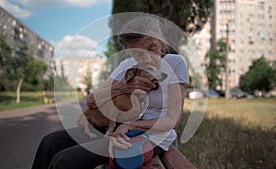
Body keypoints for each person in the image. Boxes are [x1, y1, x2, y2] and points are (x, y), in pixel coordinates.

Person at [31, 15, 189, 169]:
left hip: (152, 135)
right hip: (116, 128)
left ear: (160, 40)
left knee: (64, 161)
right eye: (138, 53)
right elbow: (91, 101)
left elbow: (172, 121)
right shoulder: (127, 65)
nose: (147, 59)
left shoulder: (175, 63)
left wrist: (131, 126)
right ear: (129, 52)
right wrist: (124, 86)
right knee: (50, 143)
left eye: (152, 47)